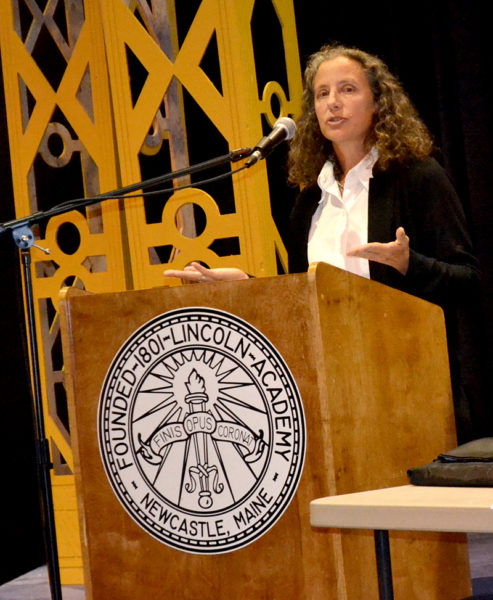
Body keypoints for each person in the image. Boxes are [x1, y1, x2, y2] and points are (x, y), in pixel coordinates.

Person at [164, 44, 487, 443]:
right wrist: (244, 285)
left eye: (348, 89)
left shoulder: (417, 178)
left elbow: (469, 281)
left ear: (377, 104)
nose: (333, 102)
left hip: (409, 389)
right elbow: (304, 299)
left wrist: (410, 264)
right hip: (333, 396)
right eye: (322, 94)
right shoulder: (309, 200)